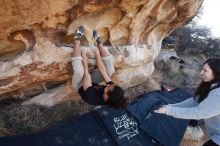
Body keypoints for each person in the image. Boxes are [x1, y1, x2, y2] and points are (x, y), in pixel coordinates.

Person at [155, 58, 220, 146]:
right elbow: (195, 101)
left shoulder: (218, 95)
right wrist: (171, 106)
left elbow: (198, 113)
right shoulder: (212, 84)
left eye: (205, 70)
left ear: (216, 73)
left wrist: (169, 111)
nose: (201, 73)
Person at [71, 26, 127, 109]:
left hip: (80, 85)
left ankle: (77, 40)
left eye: (108, 88)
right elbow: (103, 71)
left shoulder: (91, 97)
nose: (108, 85)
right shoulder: (112, 89)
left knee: (80, 71)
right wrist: (97, 53)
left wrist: (84, 54)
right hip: (93, 82)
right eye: (112, 85)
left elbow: (87, 74)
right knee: (110, 71)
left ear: (106, 97)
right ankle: (99, 43)